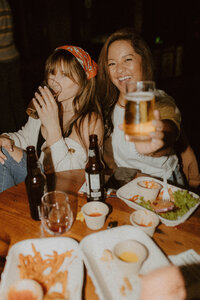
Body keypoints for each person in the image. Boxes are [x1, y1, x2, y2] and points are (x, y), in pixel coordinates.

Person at [97, 27, 200, 188]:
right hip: (129, 183)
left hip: (164, 183)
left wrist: (158, 142)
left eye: (128, 59)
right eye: (112, 63)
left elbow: (169, 127)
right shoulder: (108, 105)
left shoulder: (160, 100)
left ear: (143, 60)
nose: (119, 69)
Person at [0, 45, 104, 192]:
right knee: (2, 152)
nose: (54, 81)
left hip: (68, 191)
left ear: (83, 80)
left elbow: (70, 177)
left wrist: (53, 128)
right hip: (40, 181)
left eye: (64, 75)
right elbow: (24, 138)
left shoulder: (90, 120)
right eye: (52, 73)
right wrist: (4, 138)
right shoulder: (47, 106)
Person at [0, 0, 27, 133]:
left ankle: (10, 135)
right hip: (13, 54)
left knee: (4, 102)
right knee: (16, 98)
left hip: (2, 59)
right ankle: (24, 130)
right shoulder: (5, 3)